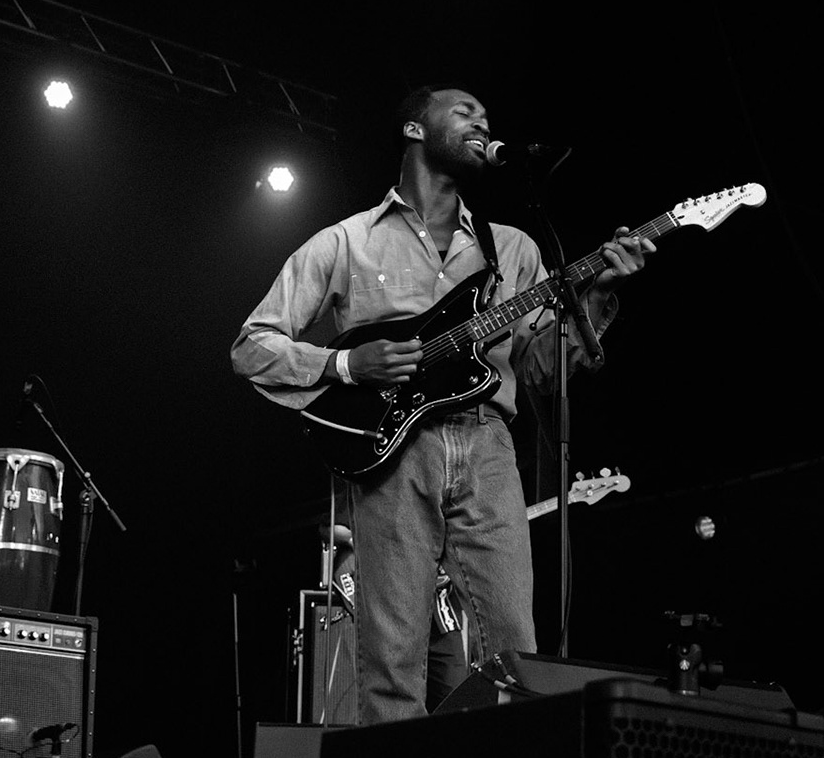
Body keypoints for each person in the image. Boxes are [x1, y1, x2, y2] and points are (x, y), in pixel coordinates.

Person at [231, 86, 652, 725]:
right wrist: (346, 363)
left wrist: (596, 300)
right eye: (465, 112)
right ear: (415, 129)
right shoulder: (347, 242)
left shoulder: (510, 247)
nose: (483, 121)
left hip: (488, 444)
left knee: (517, 648)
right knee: (393, 658)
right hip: (392, 455)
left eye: (488, 115)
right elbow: (252, 347)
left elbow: (540, 368)